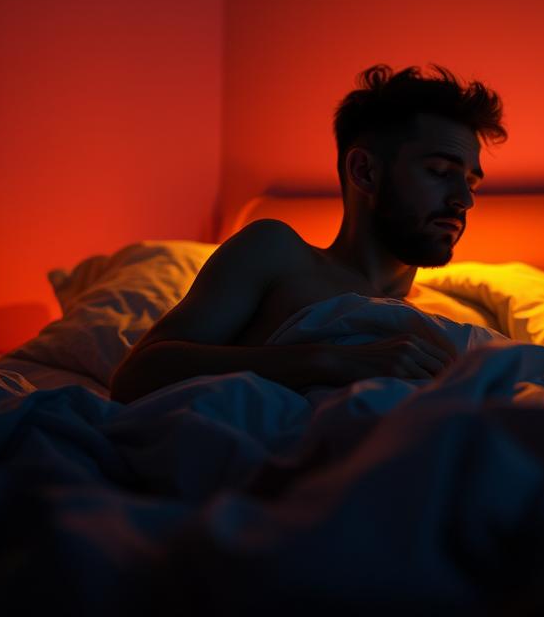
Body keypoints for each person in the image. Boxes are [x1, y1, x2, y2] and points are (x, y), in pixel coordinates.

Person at [109, 64, 507, 403]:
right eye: (439, 172)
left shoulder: (444, 325)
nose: (463, 201)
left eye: (471, 183)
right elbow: (136, 378)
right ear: (364, 172)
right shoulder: (278, 253)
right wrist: (328, 361)